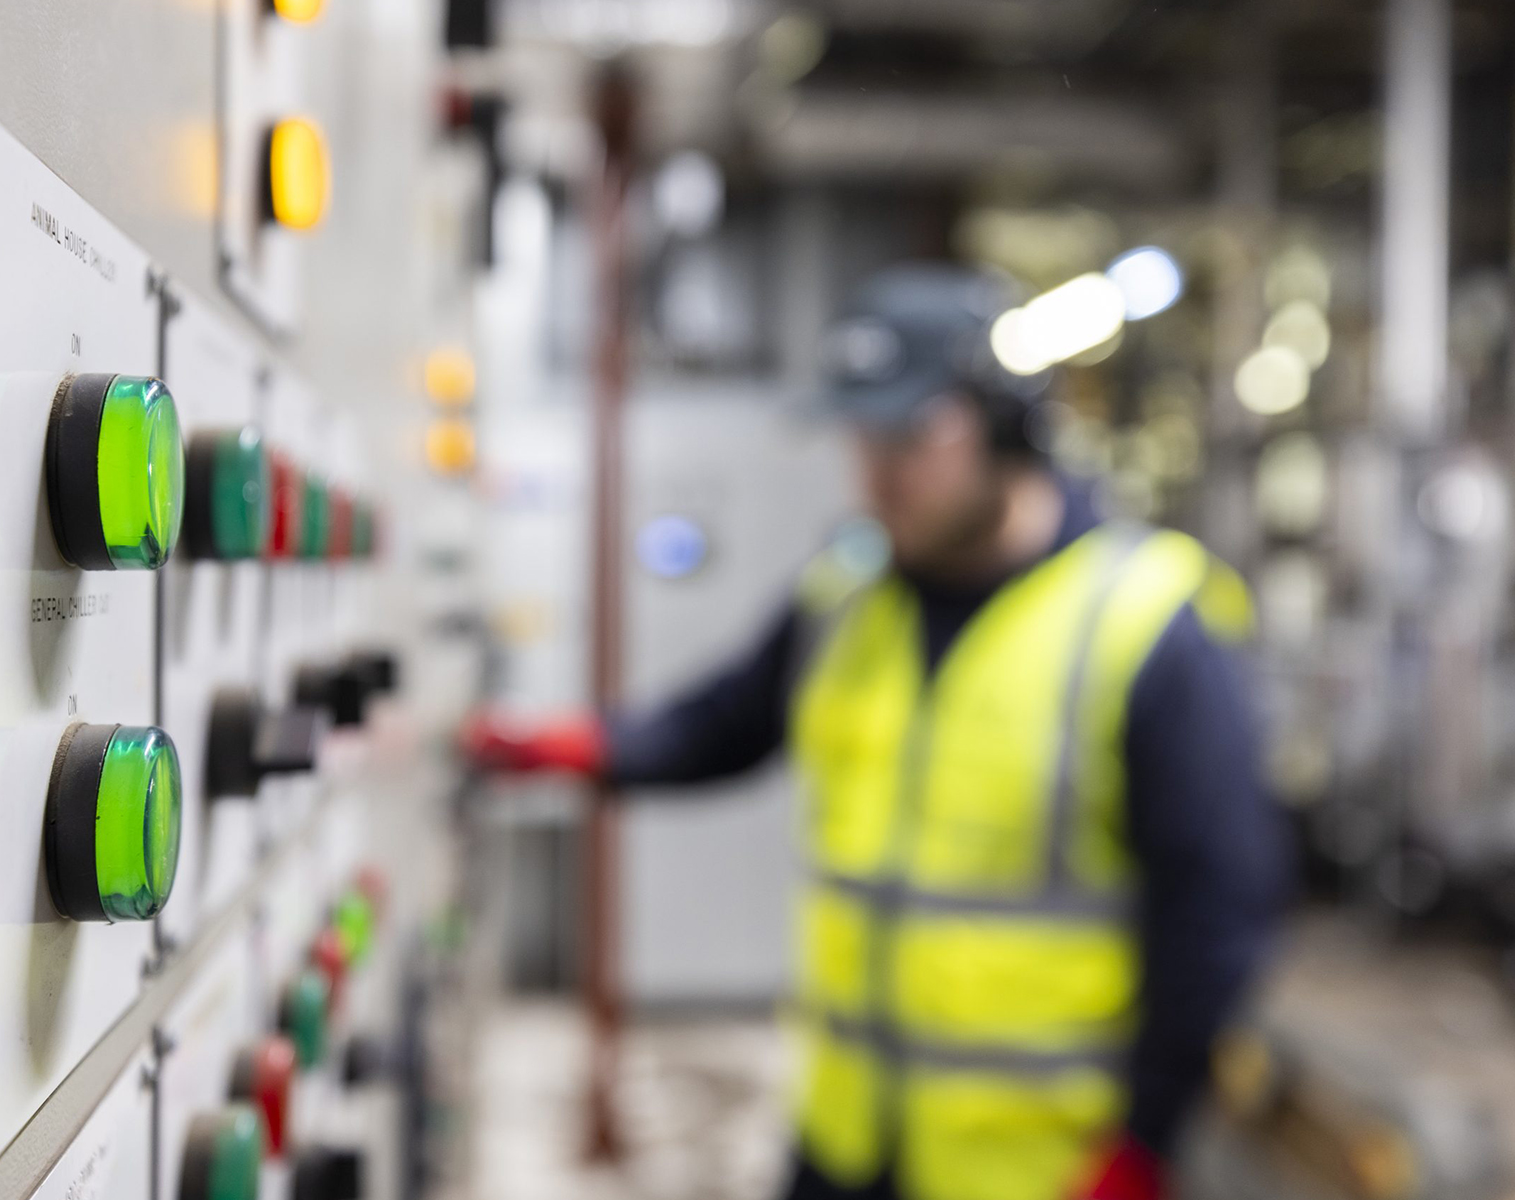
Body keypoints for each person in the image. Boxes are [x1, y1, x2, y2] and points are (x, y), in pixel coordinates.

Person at [463, 264, 1291, 1200]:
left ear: (1007, 428)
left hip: (1034, 1168)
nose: (878, 475)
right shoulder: (847, 600)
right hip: (847, 1144)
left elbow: (1218, 915)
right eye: (863, 439)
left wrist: (1143, 1145)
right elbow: (720, 726)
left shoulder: (1143, 626)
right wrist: (572, 748)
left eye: (910, 437)